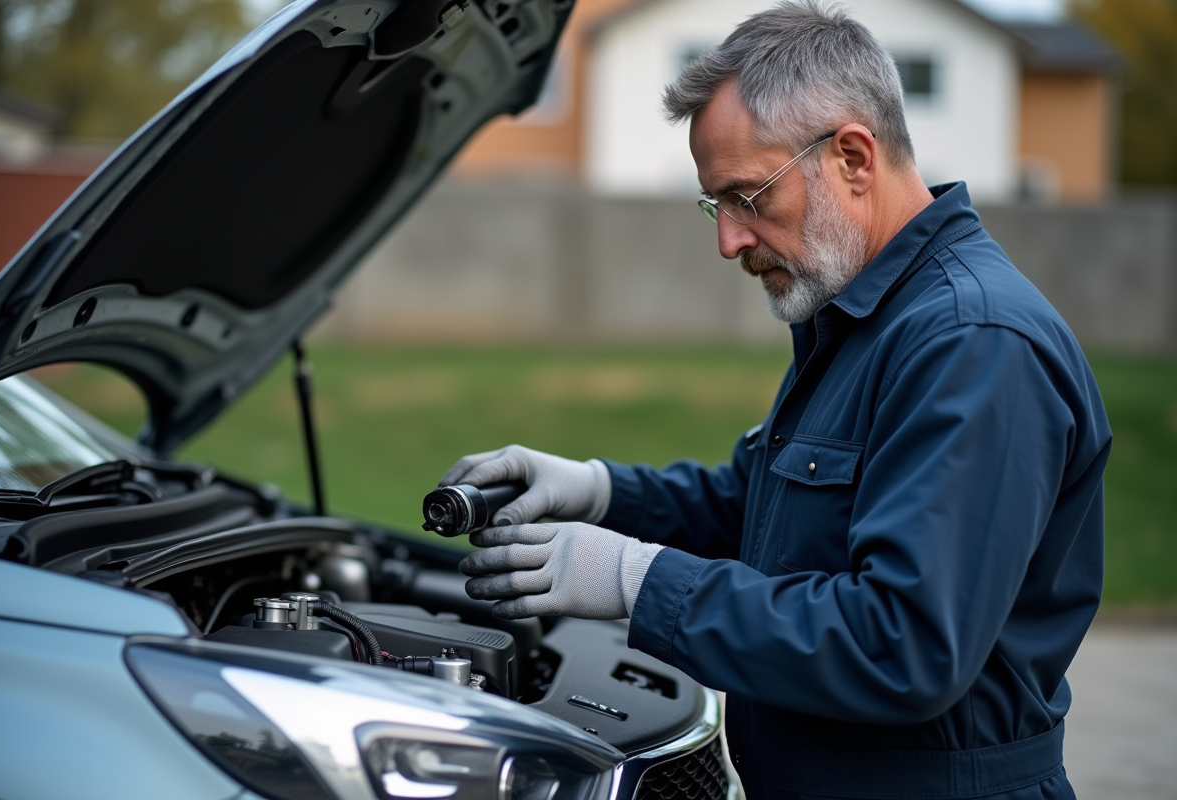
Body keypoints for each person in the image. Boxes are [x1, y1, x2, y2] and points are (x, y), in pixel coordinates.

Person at [439, 3, 1112, 798]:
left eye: (746, 197)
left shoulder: (973, 343)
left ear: (853, 157)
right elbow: (761, 513)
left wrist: (637, 581)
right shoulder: (861, 317)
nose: (727, 240)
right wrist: (601, 492)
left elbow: (901, 645)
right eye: (713, 204)